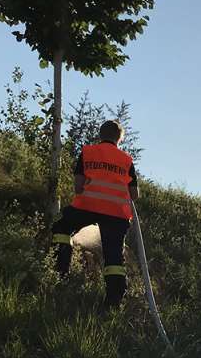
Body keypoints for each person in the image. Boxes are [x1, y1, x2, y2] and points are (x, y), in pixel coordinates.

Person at [51, 120, 138, 308]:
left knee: (61, 227)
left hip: (87, 207)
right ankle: (114, 301)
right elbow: (134, 194)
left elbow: (78, 186)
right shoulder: (126, 160)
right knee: (114, 257)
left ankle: (60, 271)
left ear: (100, 135)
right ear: (120, 138)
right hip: (116, 214)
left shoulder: (88, 152)